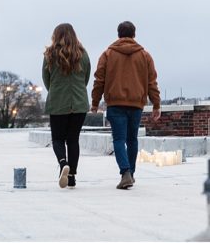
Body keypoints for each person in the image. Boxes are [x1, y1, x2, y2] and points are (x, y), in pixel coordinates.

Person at [91, 21, 161, 190]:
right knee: (132, 139)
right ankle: (131, 173)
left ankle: (125, 172)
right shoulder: (145, 55)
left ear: (118, 34)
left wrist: (94, 103)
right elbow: (152, 82)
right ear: (134, 34)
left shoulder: (107, 54)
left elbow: (99, 80)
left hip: (115, 104)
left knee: (119, 139)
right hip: (136, 104)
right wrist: (156, 104)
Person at [42, 23, 91, 189]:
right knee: (73, 140)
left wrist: (56, 92)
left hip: (57, 103)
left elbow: (46, 79)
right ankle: (71, 177)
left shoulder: (50, 54)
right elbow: (86, 78)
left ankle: (63, 163)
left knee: (57, 139)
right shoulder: (82, 54)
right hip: (79, 103)